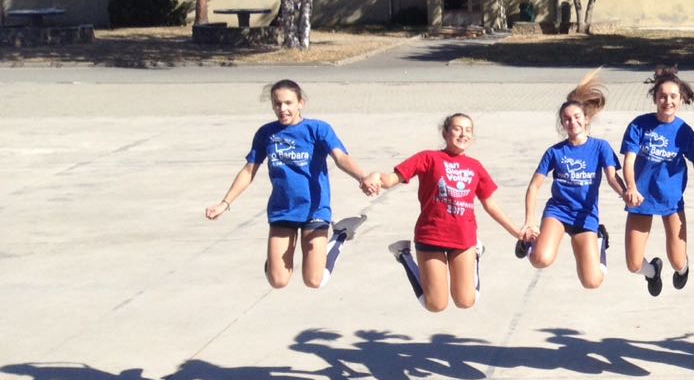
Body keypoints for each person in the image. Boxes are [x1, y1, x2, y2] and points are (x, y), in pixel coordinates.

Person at [205, 78, 372, 289]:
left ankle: (339, 235)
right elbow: (249, 171)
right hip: (283, 210)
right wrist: (224, 203)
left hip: (315, 209)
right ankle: (275, 260)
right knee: (278, 281)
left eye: (288, 103)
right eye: (277, 104)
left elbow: (340, 158)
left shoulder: (318, 129)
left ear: (300, 103)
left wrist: (362, 178)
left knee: (314, 280)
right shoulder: (266, 133)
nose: (282, 109)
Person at [367, 113, 523, 312]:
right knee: (435, 304)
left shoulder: (475, 167)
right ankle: (403, 254)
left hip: (463, 238)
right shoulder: (428, 158)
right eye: (457, 129)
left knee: (466, 301)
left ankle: (475, 254)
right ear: (445, 133)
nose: (463, 134)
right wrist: (375, 176)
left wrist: (517, 232)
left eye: (468, 130)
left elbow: (490, 205)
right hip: (431, 235)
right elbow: (390, 180)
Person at [520, 72, 627, 289]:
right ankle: (529, 243)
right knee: (540, 259)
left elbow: (612, 176)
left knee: (592, 281)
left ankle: (600, 241)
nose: (573, 122)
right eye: (567, 119)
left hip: (585, 215)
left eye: (577, 117)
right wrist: (530, 221)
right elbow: (534, 186)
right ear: (562, 123)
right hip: (558, 212)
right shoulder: (555, 152)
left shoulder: (600, 147)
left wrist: (626, 194)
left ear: (586, 118)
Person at [620, 67, 694, 296]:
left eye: (673, 96)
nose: (667, 101)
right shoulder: (639, 125)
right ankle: (652, 271)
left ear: (681, 99)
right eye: (662, 96)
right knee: (633, 264)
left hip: (671, 202)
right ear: (655, 98)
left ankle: (684, 267)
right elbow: (629, 161)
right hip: (641, 200)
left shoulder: (684, 132)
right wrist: (631, 187)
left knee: (678, 262)